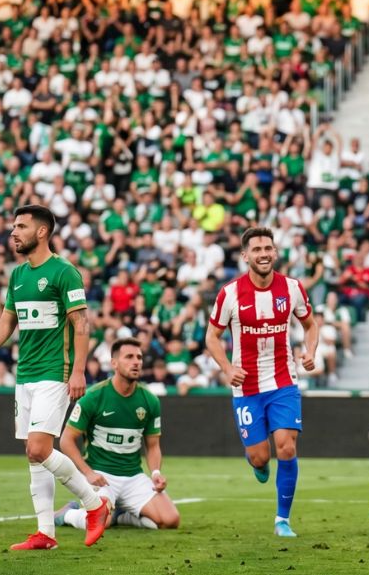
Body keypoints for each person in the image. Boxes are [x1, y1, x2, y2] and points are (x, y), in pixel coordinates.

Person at [0, 205, 110, 550]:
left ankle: (94, 504)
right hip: (25, 374)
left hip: (53, 373)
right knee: (33, 456)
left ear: (42, 232)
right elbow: (6, 323)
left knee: (39, 448)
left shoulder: (64, 272)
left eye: (21, 226)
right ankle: (46, 532)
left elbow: (81, 324)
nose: (13, 232)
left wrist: (77, 370)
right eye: (13, 225)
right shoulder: (17, 275)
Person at [204, 226, 319, 538]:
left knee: (287, 447)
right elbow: (211, 337)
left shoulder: (292, 287)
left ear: (275, 252)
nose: (264, 254)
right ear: (245, 256)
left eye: (268, 248)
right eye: (256, 249)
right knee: (260, 455)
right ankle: (257, 463)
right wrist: (227, 368)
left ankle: (282, 519)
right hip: (246, 387)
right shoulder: (230, 294)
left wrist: (310, 352)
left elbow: (310, 324)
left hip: (283, 381)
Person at [54, 337, 180, 531]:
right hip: (101, 475)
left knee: (170, 520)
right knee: (98, 523)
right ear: (114, 363)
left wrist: (155, 473)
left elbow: (153, 446)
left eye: (139, 357)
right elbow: (66, 441)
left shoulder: (150, 400)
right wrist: (88, 473)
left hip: (133, 477)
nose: (136, 361)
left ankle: (120, 516)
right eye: (129, 357)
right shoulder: (93, 397)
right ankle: (67, 514)